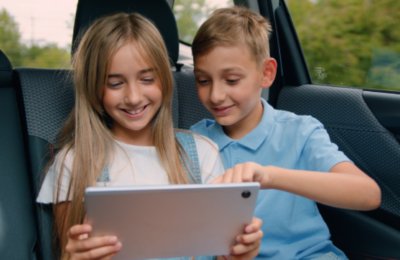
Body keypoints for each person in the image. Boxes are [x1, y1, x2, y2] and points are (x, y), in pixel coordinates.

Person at [36, 12, 263, 260]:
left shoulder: (201, 153)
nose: (133, 97)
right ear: (94, 89)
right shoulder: (74, 162)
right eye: (115, 83)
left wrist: (240, 254)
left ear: (164, 81)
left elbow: (222, 252)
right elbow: (69, 254)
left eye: (146, 79)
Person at [190, 6, 381, 259]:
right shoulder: (194, 142)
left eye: (232, 80)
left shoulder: (300, 132)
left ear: (266, 73)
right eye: (203, 81)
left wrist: (270, 177)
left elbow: (367, 194)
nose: (215, 95)